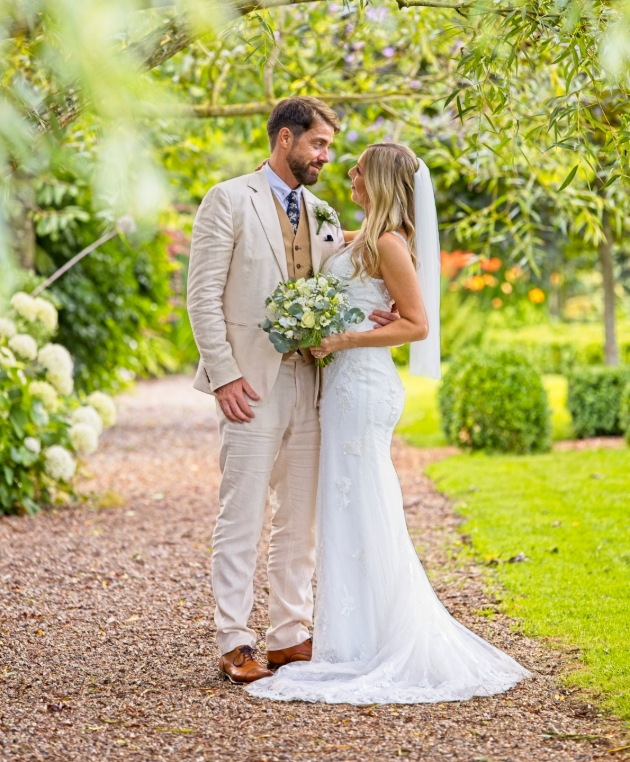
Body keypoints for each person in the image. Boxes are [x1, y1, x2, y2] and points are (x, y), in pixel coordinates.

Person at [247, 142, 530, 704]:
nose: (348, 173)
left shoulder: (390, 243)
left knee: (361, 503)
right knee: (346, 506)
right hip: (346, 386)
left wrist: (347, 336)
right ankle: (354, 638)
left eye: (358, 169)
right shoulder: (365, 238)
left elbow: (418, 324)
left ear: (378, 179)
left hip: (364, 386)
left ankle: (379, 640)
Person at [187, 97, 398, 684]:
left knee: (300, 516)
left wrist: (378, 314)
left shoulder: (326, 213)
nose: (326, 157)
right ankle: (234, 639)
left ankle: (288, 634)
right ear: (285, 138)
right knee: (242, 512)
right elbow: (202, 296)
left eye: (328, 147)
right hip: (249, 384)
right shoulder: (228, 199)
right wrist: (224, 374)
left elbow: (362, 263)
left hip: (314, 383)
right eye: (319, 145)